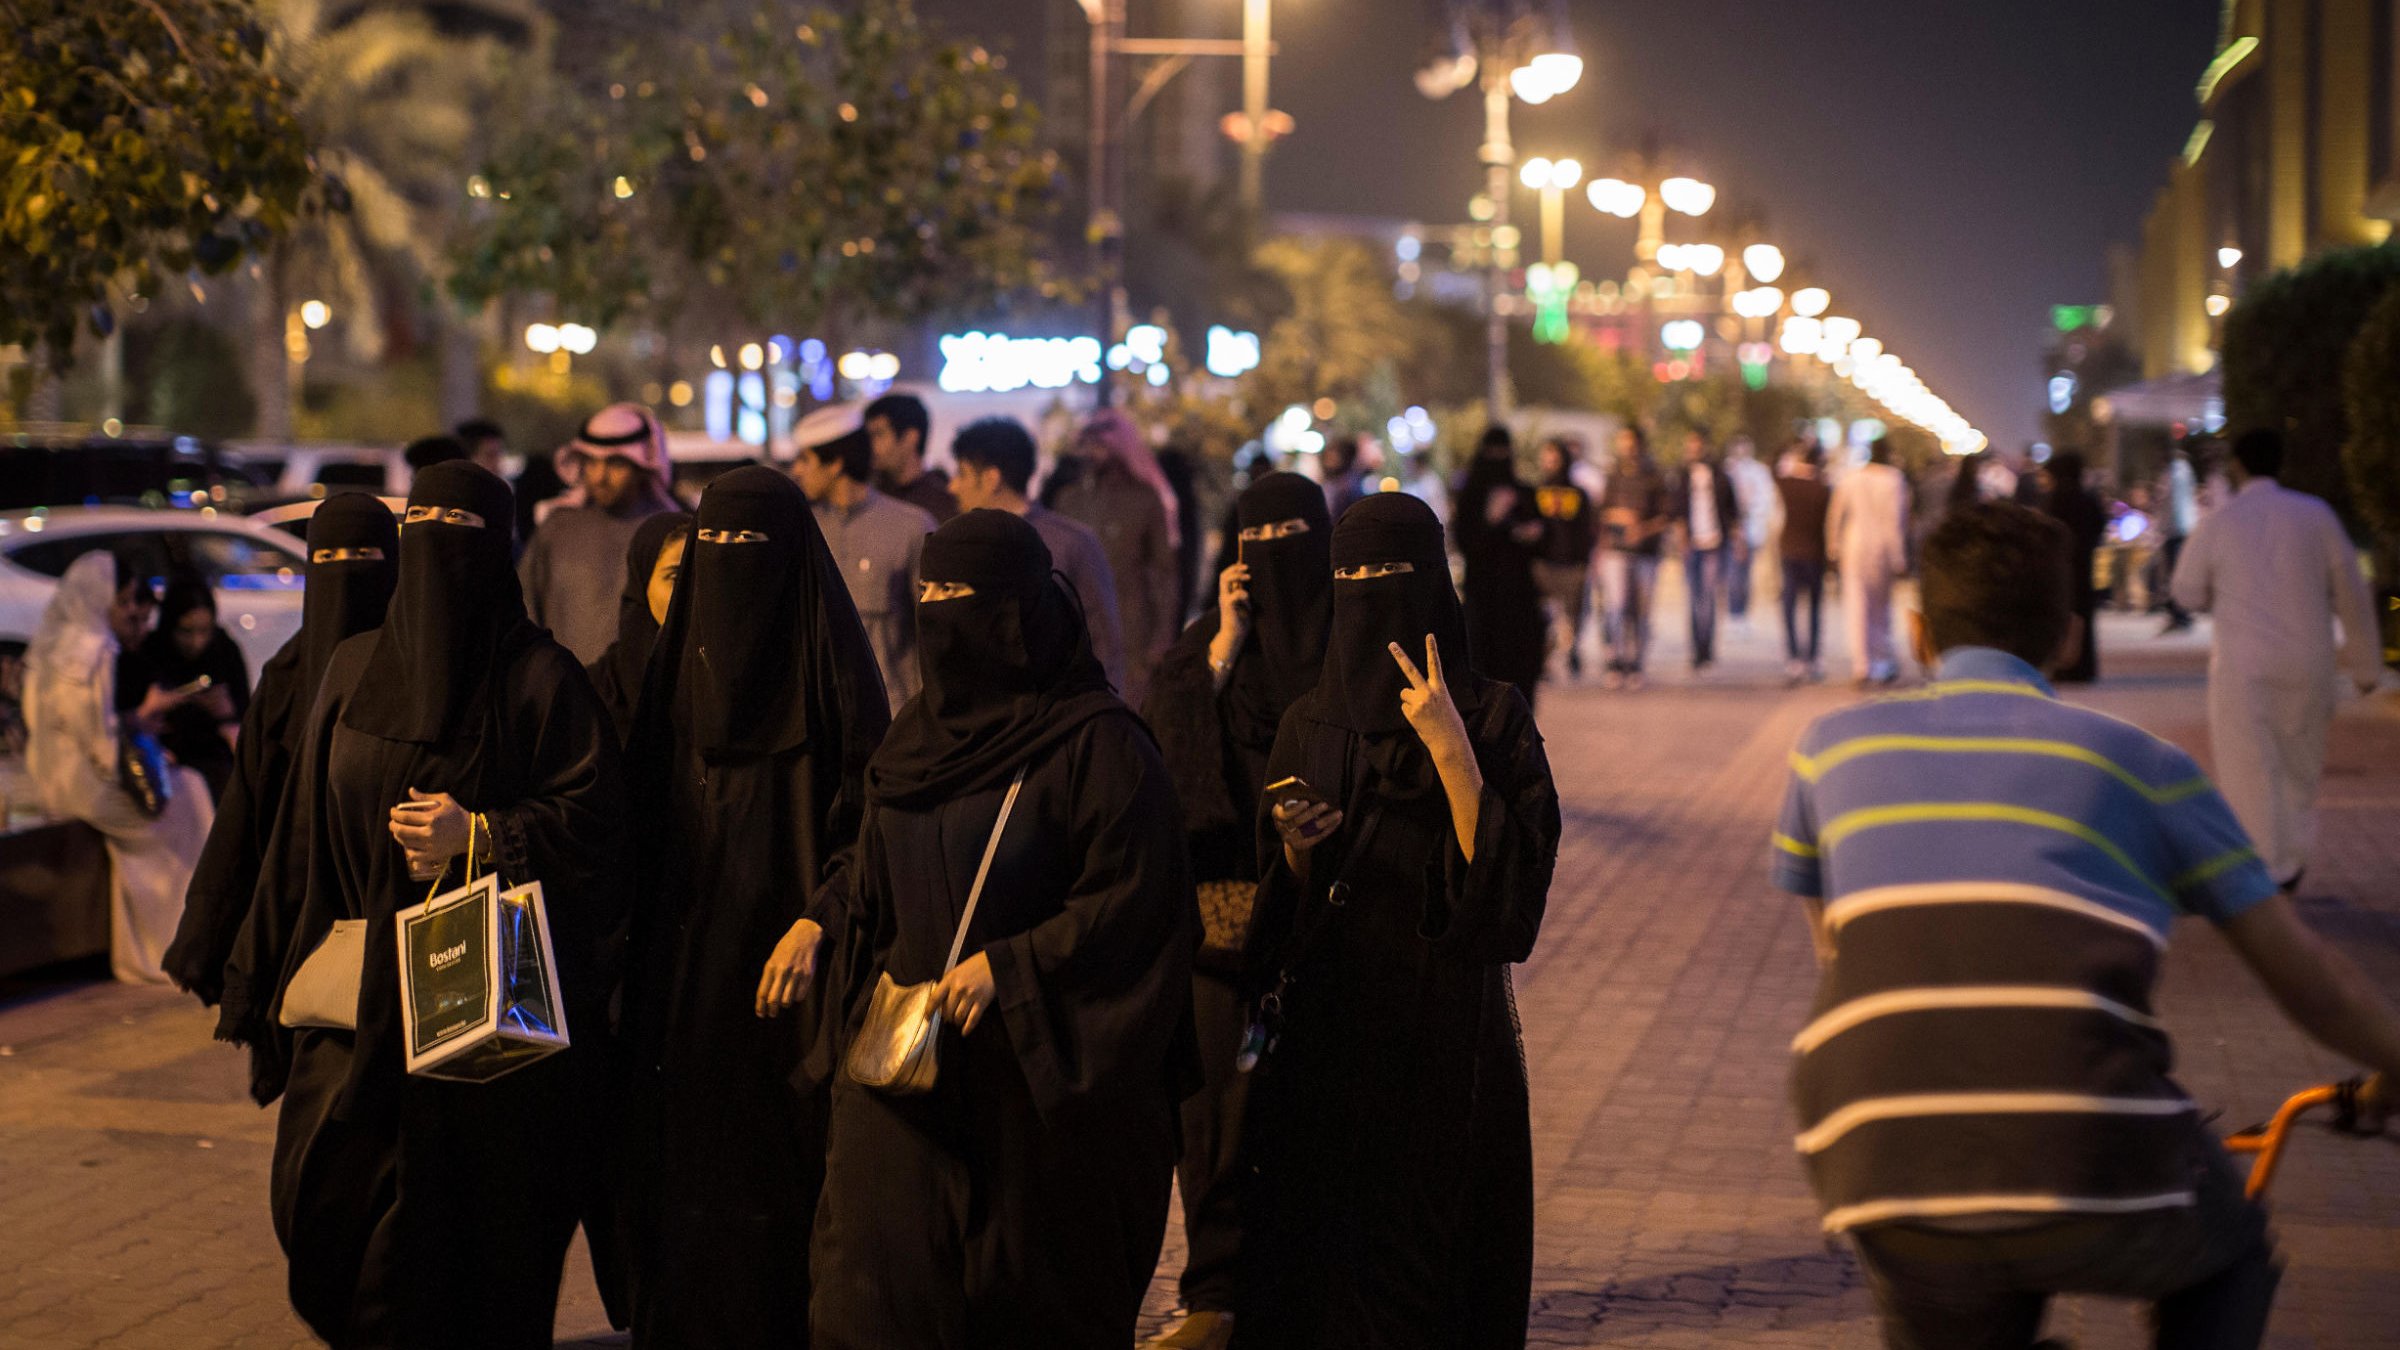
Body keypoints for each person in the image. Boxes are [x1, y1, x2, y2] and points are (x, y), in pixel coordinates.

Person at [1771, 500, 2400, 1350]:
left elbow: (1833, 949)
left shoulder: (1828, 748)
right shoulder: (2147, 769)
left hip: (1875, 1149)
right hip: (2090, 1141)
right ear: (2068, 637)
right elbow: (2304, 974)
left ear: (1920, 635)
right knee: (2232, 1254)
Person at [229, 461, 629, 1346]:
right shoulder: (351, 669)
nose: (441, 540)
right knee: (333, 1217)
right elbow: (301, 833)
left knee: (479, 1249)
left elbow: (597, 823)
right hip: (355, 1010)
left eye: (464, 524)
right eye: (427, 519)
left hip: (480, 1020)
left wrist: (480, 834)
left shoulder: (539, 678)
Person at [798, 510, 1198, 1349]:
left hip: (1036, 1098)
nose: (941, 611)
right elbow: (873, 892)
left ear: (1020, 612)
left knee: (1024, 1304)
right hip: (906, 1083)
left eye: (962, 594)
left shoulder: (1100, 748)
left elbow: (1137, 907)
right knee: (875, 1301)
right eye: (929, 590)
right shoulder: (912, 743)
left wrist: (1012, 968)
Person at [1238, 492, 1558, 1349]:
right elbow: (1281, 896)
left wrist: (1452, 751)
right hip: (1331, 1036)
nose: (1372, 594)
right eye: (1354, 578)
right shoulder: (1311, 721)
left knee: (1437, 1270)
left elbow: (1511, 903)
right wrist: (1298, 848)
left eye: (1392, 575)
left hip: (1448, 1042)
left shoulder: (1492, 716)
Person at [610, 466, 890, 1344]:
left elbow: (874, 833)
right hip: (681, 984)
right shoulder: (667, 684)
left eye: (751, 548)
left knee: (785, 1184)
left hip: (793, 992)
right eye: (715, 547)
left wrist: (820, 916)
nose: (733, 567)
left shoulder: (836, 684)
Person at [1140, 472, 1333, 1350]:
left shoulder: (1349, 646)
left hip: (1333, 917)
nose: (1273, 560)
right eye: (1257, 542)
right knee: (1214, 1116)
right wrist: (1223, 644)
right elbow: (1171, 765)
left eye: (1293, 538)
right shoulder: (1207, 653)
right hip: (1227, 924)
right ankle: (1213, 1294)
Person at [167, 494, 398, 1085]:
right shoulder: (288, 677)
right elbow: (247, 806)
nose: (347, 574)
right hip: (296, 907)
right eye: (331, 558)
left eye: (365, 556)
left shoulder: (411, 671)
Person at [2171, 428, 2384, 892]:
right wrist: (2367, 666)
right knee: (2300, 768)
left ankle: (2267, 870)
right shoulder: (2316, 515)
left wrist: (2217, 595)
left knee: (2249, 771)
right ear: (2281, 463)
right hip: (2309, 662)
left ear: (2238, 466)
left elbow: (2185, 590)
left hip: (2242, 667)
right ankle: (2291, 859)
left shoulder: (2222, 521)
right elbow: (2351, 589)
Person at [23, 553, 215, 984]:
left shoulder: (61, 640)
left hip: (54, 774)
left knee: (185, 788)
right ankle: (174, 947)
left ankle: (158, 947)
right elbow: (94, 737)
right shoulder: (94, 647)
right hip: (81, 784)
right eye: (122, 599)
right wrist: (132, 761)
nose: (130, 611)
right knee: (174, 818)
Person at [948, 415, 1128, 692]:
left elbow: (1102, 639)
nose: (953, 486)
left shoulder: (1071, 542)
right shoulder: (957, 545)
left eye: (962, 473)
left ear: (991, 479)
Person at [795, 410, 939, 710]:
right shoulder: (803, 528)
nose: (797, 471)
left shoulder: (910, 526)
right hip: (825, 717)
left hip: (894, 713)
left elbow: (934, 629)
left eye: (805, 460)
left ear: (834, 464)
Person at [518, 403, 680, 664]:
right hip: (565, 692)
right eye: (591, 462)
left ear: (643, 467)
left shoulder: (671, 535)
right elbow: (524, 613)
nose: (600, 476)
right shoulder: (556, 529)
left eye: (616, 463)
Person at [1048, 408, 1183, 707]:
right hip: (1079, 635)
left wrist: (1162, 640)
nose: (1094, 448)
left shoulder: (1146, 498)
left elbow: (1165, 573)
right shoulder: (1069, 499)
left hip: (1132, 635)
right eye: (1090, 439)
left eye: (1102, 438)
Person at [128, 577, 250, 801]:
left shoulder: (222, 650)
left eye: (204, 631)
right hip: (167, 756)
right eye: (186, 631)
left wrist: (227, 712)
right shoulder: (153, 651)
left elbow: (245, 714)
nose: (196, 642)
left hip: (215, 755)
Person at [1451, 426, 1547, 709]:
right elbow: (1466, 541)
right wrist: (1492, 519)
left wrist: (1533, 533)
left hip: (1520, 597)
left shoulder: (1524, 492)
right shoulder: (1472, 496)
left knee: (1519, 669)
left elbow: (1542, 540)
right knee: (1485, 665)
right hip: (1484, 595)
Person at [583, 510, 690, 749]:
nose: (689, 591)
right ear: (643, 582)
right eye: (675, 576)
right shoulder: (597, 689)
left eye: (697, 576)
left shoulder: (714, 681)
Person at [1828, 436, 1911, 685]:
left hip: (1854, 547)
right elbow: (1896, 520)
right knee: (1881, 607)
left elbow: (1836, 514)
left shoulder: (1851, 478)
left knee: (1857, 604)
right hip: (1883, 547)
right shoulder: (1894, 479)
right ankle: (1881, 660)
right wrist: (1899, 557)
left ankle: (1862, 664)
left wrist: (1833, 546)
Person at [1595, 426, 1671, 689]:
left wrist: (1643, 529)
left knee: (1642, 610)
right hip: (1616, 551)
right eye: (1622, 441)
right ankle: (1614, 661)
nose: (1626, 447)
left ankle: (1636, 662)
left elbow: (1666, 516)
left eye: (1630, 442)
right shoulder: (1613, 475)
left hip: (1646, 554)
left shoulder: (1654, 477)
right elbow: (1602, 511)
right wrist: (1621, 517)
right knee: (1615, 607)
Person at [1671, 431, 1741, 671]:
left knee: (1709, 597)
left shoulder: (1720, 474)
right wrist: (1681, 540)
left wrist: (1737, 540)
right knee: (1693, 597)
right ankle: (1695, 649)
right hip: (1692, 544)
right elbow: (1676, 510)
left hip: (1715, 542)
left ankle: (1707, 647)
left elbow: (1733, 511)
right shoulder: (1681, 474)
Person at [1531, 437, 1598, 678]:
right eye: (1547, 457)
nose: (1550, 462)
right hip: (1543, 565)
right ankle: (1543, 660)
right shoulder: (1536, 491)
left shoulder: (1578, 494)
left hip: (1571, 565)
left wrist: (1584, 561)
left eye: (1555, 457)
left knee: (1573, 617)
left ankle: (1572, 652)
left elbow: (1587, 531)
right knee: (1543, 618)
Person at [2042, 449, 2107, 683]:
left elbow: (2046, 532)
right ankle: (2084, 666)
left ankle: (2064, 665)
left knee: (2062, 617)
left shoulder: (2055, 498)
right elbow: (2100, 526)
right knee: (2084, 618)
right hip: (2084, 566)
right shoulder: (2088, 498)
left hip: (2060, 567)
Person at [1775, 442, 1833, 684]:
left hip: (1790, 550)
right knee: (1815, 607)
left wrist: (1792, 449)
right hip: (1815, 552)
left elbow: (1773, 466)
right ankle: (1813, 657)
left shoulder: (1788, 484)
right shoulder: (1824, 488)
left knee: (1789, 605)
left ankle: (1793, 658)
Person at [866, 391, 957, 525]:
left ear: (910, 437)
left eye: (878, 434)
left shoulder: (944, 504)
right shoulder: (868, 493)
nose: (870, 445)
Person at [1724, 436, 1775, 623]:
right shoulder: (1727, 471)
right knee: (1733, 574)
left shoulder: (1758, 471)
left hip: (1752, 529)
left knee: (1744, 575)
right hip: (1732, 531)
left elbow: (1765, 499)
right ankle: (1734, 612)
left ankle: (1742, 613)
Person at [2158, 445, 2199, 633]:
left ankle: (2178, 614)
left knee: (2173, 574)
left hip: (2173, 529)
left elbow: (2166, 499)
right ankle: (2183, 614)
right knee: (2181, 572)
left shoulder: (2171, 474)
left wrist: (2162, 525)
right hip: (2186, 527)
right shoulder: (2187, 472)